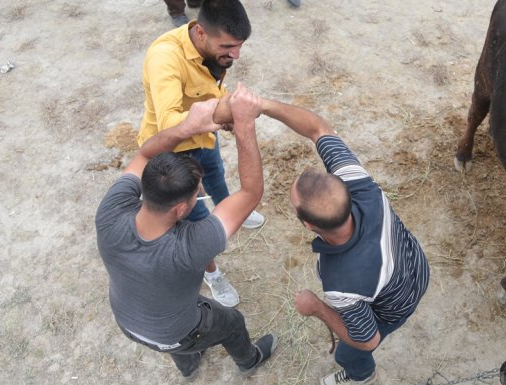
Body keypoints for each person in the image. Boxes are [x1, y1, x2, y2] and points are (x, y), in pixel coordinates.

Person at [95, 84, 277, 379]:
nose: (200, 195)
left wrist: (186, 128)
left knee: (173, 341)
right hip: (177, 331)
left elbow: (143, 154)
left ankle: (189, 366)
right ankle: (249, 360)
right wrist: (244, 123)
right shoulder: (189, 248)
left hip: (128, 324)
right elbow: (251, 192)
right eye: (197, 194)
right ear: (180, 209)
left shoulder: (110, 211)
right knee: (231, 321)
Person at [255, 98, 430, 385]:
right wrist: (261, 105)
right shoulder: (364, 187)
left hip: (393, 308)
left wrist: (317, 308)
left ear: (308, 225)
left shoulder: (341, 281)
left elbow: (369, 340)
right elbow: (318, 128)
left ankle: (361, 376)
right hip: (418, 269)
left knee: (348, 354)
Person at [139, 0, 265, 307]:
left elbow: (210, 90)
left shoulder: (211, 51)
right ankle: (213, 275)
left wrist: (227, 112)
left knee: (217, 176)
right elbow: (169, 122)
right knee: (194, 221)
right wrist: (221, 114)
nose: (235, 55)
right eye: (227, 47)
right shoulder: (164, 58)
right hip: (171, 154)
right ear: (199, 32)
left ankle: (231, 208)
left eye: (239, 46)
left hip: (203, 136)